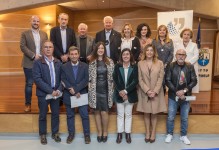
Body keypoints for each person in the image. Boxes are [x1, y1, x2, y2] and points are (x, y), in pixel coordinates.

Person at [165, 49, 197, 145]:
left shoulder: (190, 66)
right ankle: (169, 134)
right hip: (172, 96)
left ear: (186, 56)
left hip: (186, 96)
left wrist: (184, 91)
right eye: (179, 54)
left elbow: (194, 81)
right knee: (171, 117)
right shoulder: (171, 66)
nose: (181, 56)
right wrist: (177, 92)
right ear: (176, 55)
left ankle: (183, 136)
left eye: (183, 54)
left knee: (185, 118)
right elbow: (167, 80)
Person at [32, 40, 62, 145]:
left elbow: (62, 78)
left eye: (50, 47)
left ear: (53, 49)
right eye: (46, 47)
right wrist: (50, 91)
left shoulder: (58, 62)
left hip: (56, 94)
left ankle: (55, 133)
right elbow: (37, 79)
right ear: (42, 49)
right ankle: (43, 134)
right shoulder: (37, 62)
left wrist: (58, 90)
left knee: (55, 114)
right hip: (43, 93)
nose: (48, 49)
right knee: (43, 115)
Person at [137, 44, 167, 143]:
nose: (149, 52)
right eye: (147, 50)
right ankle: (147, 133)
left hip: (156, 92)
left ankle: (153, 133)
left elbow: (161, 78)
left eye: (151, 50)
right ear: (145, 52)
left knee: (154, 113)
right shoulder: (140, 63)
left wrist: (154, 91)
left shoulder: (160, 63)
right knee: (146, 113)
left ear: (154, 52)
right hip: (144, 92)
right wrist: (147, 90)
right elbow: (140, 79)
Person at [61, 46, 90, 144]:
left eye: (75, 54)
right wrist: (72, 90)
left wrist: (76, 90)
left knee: (85, 115)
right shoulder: (64, 66)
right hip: (69, 94)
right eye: (71, 54)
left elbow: (86, 80)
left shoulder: (85, 66)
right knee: (70, 116)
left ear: (79, 55)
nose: (73, 56)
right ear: (69, 55)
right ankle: (71, 134)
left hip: (81, 94)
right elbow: (63, 79)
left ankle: (87, 135)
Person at [20, 15, 48, 112]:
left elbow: (46, 47)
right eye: (34, 21)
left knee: (43, 84)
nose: (36, 23)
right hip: (29, 63)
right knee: (29, 84)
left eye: (37, 21)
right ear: (30, 22)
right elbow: (22, 46)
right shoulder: (25, 33)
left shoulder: (44, 34)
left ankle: (43, 104)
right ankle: (27, 104)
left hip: (42, 63)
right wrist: (33, 55)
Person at [88, 41, 114, 143]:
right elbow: (89, 78)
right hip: (95, 90)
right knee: (97, 111)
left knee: (104, 112)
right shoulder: (92, 61)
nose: (100, 50)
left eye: (102, 48)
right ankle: (99, 132)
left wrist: (112, 87)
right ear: (96, 50)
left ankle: (105, 132)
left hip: (106, 90)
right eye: (99, 48)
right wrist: (90, 88)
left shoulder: (110, 61)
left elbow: (112, 77)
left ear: (104, 50)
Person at [113, 48, 138, 144]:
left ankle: (128, 133)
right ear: (121, 56)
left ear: (130, 55)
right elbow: (115, 79)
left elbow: (135, 81)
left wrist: (126, 92)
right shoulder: (117, 66)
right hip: (119, 94)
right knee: (120, 115)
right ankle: (119, 133)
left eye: (127, 54)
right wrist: (121, 92)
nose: (126, 56)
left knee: (128, 115)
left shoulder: (134, 66)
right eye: (124, 54)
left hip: (130, 95)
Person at [174, 28, 199, 93]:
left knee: (189, 85)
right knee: (179, 83)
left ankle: (187, 100)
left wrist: (188, 63)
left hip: (190, 67)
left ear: (190, 36)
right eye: (184, 34)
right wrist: (180, 62)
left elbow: (196, 56)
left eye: (188, 34)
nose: (186, 36)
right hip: (179, 67)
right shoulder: (177, 45)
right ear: (182, 35)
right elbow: (175, 55)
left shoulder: (194, 45)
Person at [152, 25, 174, 94]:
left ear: (166, 32)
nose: (162, 31)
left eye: (164, 30)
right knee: (157, 82)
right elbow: (153, 53)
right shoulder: (154, 41)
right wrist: (157, 63)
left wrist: (166, 63)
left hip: (167, 66)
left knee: (164, 83)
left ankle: (163, 100)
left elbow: (171, 54)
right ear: (158, 31)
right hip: (156, 65)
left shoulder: (170, 41)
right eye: (160, 30)